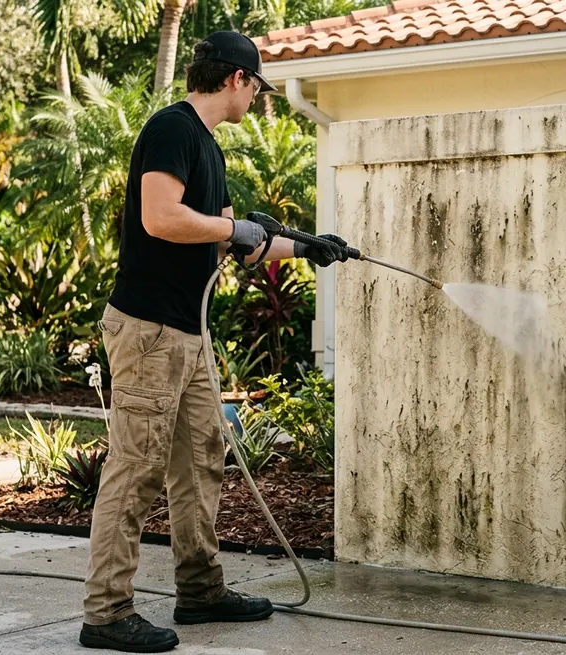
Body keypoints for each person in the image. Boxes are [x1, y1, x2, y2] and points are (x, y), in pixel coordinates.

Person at [78, 30, 349, 652]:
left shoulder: (207, 146)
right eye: (255, 88)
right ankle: (106, 612)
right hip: (148, 330)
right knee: (137, 469)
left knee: (201, 459)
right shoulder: (171, 130)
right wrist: (233, 224)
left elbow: (232, 237)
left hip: (187, 333)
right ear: (236, 80)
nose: (255, 99)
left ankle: (199, 590)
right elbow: (162, 217)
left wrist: (311, 247)